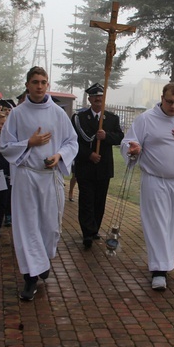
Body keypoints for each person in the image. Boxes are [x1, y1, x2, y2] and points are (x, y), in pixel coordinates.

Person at [0, 66, 78, 301]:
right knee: (27, 225)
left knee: (50, 227)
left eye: (43, 82)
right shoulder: (17, 113)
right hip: (26, 176)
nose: (40, 86)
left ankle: (42, 261)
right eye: (35, 82)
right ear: (27, 85)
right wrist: (28, 142)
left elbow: (71, 142)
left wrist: (59, 156)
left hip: (50, 177)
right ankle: (30, 278)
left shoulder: (58, 113)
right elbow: (4, 146)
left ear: (47, 85)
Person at [120, 82, 174, 291]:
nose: (173, 107)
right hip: (155, 180)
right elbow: (128, 141)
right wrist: (134, 148)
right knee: (157, 222)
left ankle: (166, 261)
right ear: (162, 98)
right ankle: (158, 270)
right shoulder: (146, 119)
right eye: (169, 102)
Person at [71, 83, 124, 248]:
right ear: (90, 99)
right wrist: (89, 155)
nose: (98, 100)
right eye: (95, 97)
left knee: (99, 201)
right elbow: (74, 141)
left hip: (103, 167)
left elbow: (119, 138)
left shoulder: (112, 118)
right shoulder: (79, 118)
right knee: (86, 200)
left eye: (101, 97)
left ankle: (95, 230)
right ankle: (87, 233)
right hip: (85, 166)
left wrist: (106, 135)